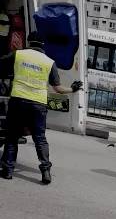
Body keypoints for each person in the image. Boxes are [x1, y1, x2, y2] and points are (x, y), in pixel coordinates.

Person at [0, 31, 83, 184]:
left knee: (12, 136)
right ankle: (45, 171)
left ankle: (8, 170)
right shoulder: (49, 62)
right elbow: (58, 88)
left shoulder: (18, 55)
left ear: (29, 42)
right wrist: (73, 89)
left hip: (18, 100)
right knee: (40, 138)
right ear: (43, 45)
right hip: (38, 104)